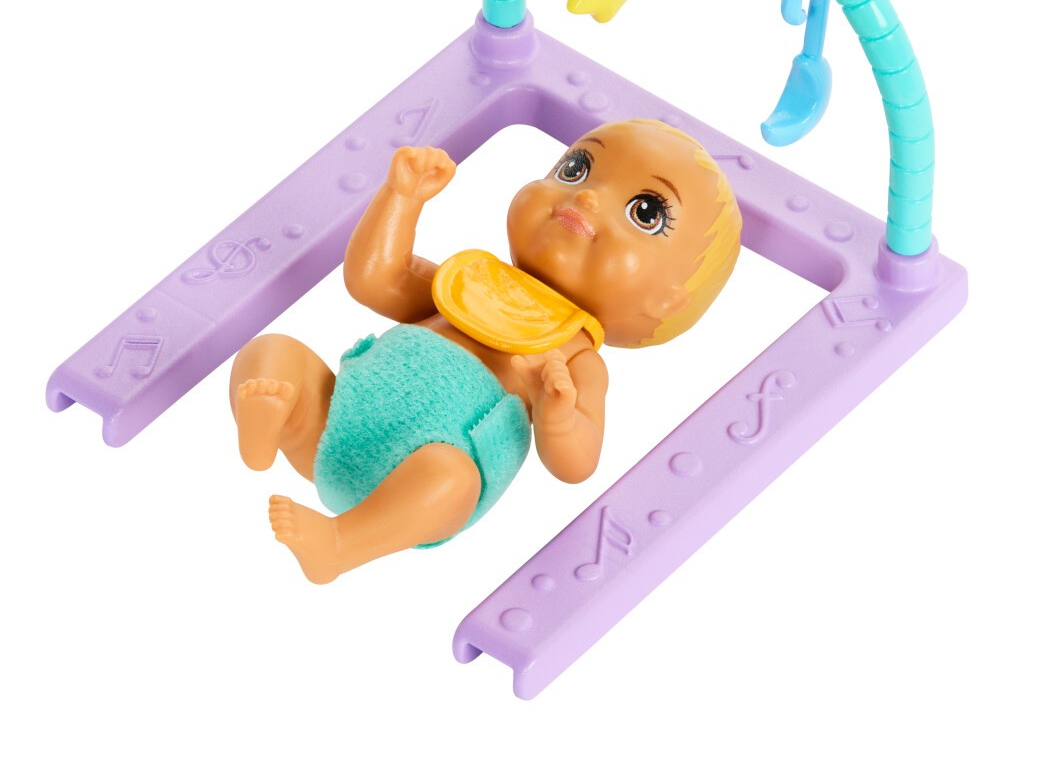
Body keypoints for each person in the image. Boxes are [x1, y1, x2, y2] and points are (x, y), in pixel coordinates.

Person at [229, 119, 742, 583]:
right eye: (576, 169)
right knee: (273, 352)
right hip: (330, 427)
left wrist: (558, 416)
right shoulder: (471, 284)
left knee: (452, 477)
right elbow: (376, 279)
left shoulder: (577, 359)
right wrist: (400, 198)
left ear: (666, 299)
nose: (587, 197)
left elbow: (577, 464)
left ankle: (340, 544)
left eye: (644, 212)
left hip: (418, 491)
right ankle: (268, 427)